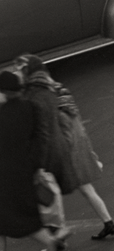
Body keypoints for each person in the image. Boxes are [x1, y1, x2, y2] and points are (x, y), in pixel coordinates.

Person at [18, 57, 114, 242]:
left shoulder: (46, 97)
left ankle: (59, 238)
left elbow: (58, 130)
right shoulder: (61, 90)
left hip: (66, 155)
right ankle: (108, 222)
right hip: (77, 150)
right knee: (87, 191)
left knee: (53, 197)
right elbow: (77, 127)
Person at [0, 67, 63, 250]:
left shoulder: (2, 115)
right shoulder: (30, 108)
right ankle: (51, 242)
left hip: (4, 179)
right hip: (25, 174)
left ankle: (52, 243)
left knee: (9, 222)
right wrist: (37, 167)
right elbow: (40, 138)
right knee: (26, 220)